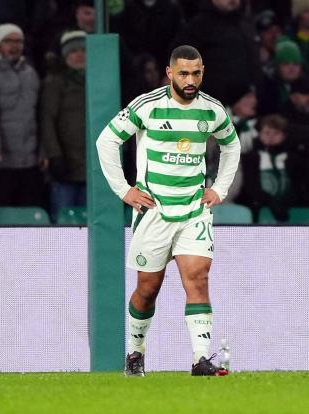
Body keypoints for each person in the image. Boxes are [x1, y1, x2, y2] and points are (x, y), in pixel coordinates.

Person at [96, 45, 240, 377]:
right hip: (154, 211)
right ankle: (134, 353)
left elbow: (232, 145)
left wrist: (219, 188)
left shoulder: (212, 110)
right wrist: (124, 189)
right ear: (169, 73)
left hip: (193, 210)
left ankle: (200, 359)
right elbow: (106, 140)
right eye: (184, 74)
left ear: (203, 71)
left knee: (198, 278)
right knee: (148, 289)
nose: (191, 80)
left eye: (196, 73)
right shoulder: (147, 106)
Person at [0, 23, 45, 209]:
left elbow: (39, 115)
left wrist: (43, 151)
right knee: (2, 217)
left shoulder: (29, 72)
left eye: (18, 41)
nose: (14, 46)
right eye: (8, 41)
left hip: (28, 160)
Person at [40, 31, 87, 217]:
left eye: (83, 50)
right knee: (63, 219)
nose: (79, 54)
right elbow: (47, 120)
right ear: (65, 55)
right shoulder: (55, 83)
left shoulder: (97, 82)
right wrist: (54, 155)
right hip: (65, 164)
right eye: (73, 51)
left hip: (91, 167)